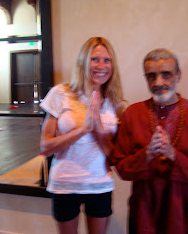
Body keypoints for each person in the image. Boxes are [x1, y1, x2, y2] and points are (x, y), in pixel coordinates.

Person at [112, 48, 188, 234]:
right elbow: (122, 169)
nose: (159, 82)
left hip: (185, 213)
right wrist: (147, 154)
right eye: (152, 76)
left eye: (166, 74)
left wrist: (173, 155)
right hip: (144, 212)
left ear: (179, 75)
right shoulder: (132, 115)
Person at [40, 37, 125, 234]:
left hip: (100, 184)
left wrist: (98, 132)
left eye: (107, 60)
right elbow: (45, 147)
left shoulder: (117, 103)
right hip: (64, 184)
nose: (101, 66)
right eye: (95, 59)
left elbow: (115, 157)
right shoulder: (61, 93)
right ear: (83, 62)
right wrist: (83, 129)